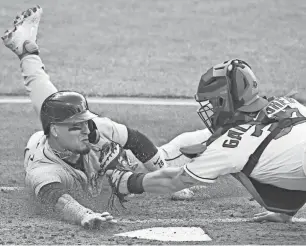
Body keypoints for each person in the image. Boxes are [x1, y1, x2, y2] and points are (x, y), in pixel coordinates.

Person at [2, 6, 209, 229]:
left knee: (54, 103)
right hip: (61, 153)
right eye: (77, 126)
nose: (86, 129)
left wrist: (170, 180)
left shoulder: (92, 130)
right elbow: (56, 198)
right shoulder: (44, 170)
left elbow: (135, 139)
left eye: (86, 122)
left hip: (67, 139)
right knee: (56, 111)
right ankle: (26, 50)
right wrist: (84, 215)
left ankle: (26, 51)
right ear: (55, 131)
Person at [106, 58, 306, 223]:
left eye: (211, 102)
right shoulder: (287, 103)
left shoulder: (229, 145)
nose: (210, 110)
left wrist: (131, 183)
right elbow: (289, 150)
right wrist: (286, 211)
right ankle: (284, 207)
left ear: (223, 100)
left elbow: (173, 181)